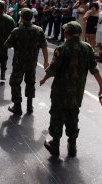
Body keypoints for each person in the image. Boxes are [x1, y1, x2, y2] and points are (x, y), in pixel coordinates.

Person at [40, 21, 102, 157]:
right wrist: (101, 86)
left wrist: (44, 79)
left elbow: (53, 69)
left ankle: (55, 144)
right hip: (77, 92)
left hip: (60, 92)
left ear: (66, 33)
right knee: (73, 116)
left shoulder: (62, 49)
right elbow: (94, 69)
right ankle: (72, 145)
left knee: (57, 116)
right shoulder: (87, 48)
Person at [5, 9, 49, 115]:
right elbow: (44, 47)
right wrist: (46, 61)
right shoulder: (39, 30)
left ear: (22, 18)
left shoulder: (16, 31)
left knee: (15, 83)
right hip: (32, 63)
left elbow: (7, 44)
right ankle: (29, 107)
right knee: (30, 83)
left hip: (18, 63)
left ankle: (17, 106)